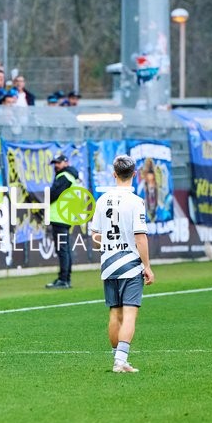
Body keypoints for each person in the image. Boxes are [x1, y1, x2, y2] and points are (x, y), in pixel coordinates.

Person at [91, 155, 154, 373]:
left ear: (114, 174)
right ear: (134, 174)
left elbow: (95, 236)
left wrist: (110, 242)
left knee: (114, 313)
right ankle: (121, 361)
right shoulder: (136, 201)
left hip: (108, 264)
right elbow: (140, 237)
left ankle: (116, 358)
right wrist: (147, 266)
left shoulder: (102, 200)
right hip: (129, 263)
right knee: (129, 314)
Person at [46, 154, 80, 289]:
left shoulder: (64, 176)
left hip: (59, 217)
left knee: (63, 250)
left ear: (66, 163)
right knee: (64, 249)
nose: (56, 165)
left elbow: (53, 195)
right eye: (55, 163)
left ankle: (64, 279)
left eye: (58, 163)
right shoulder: (69, 176)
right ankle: (64, 278)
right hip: (64, 216)